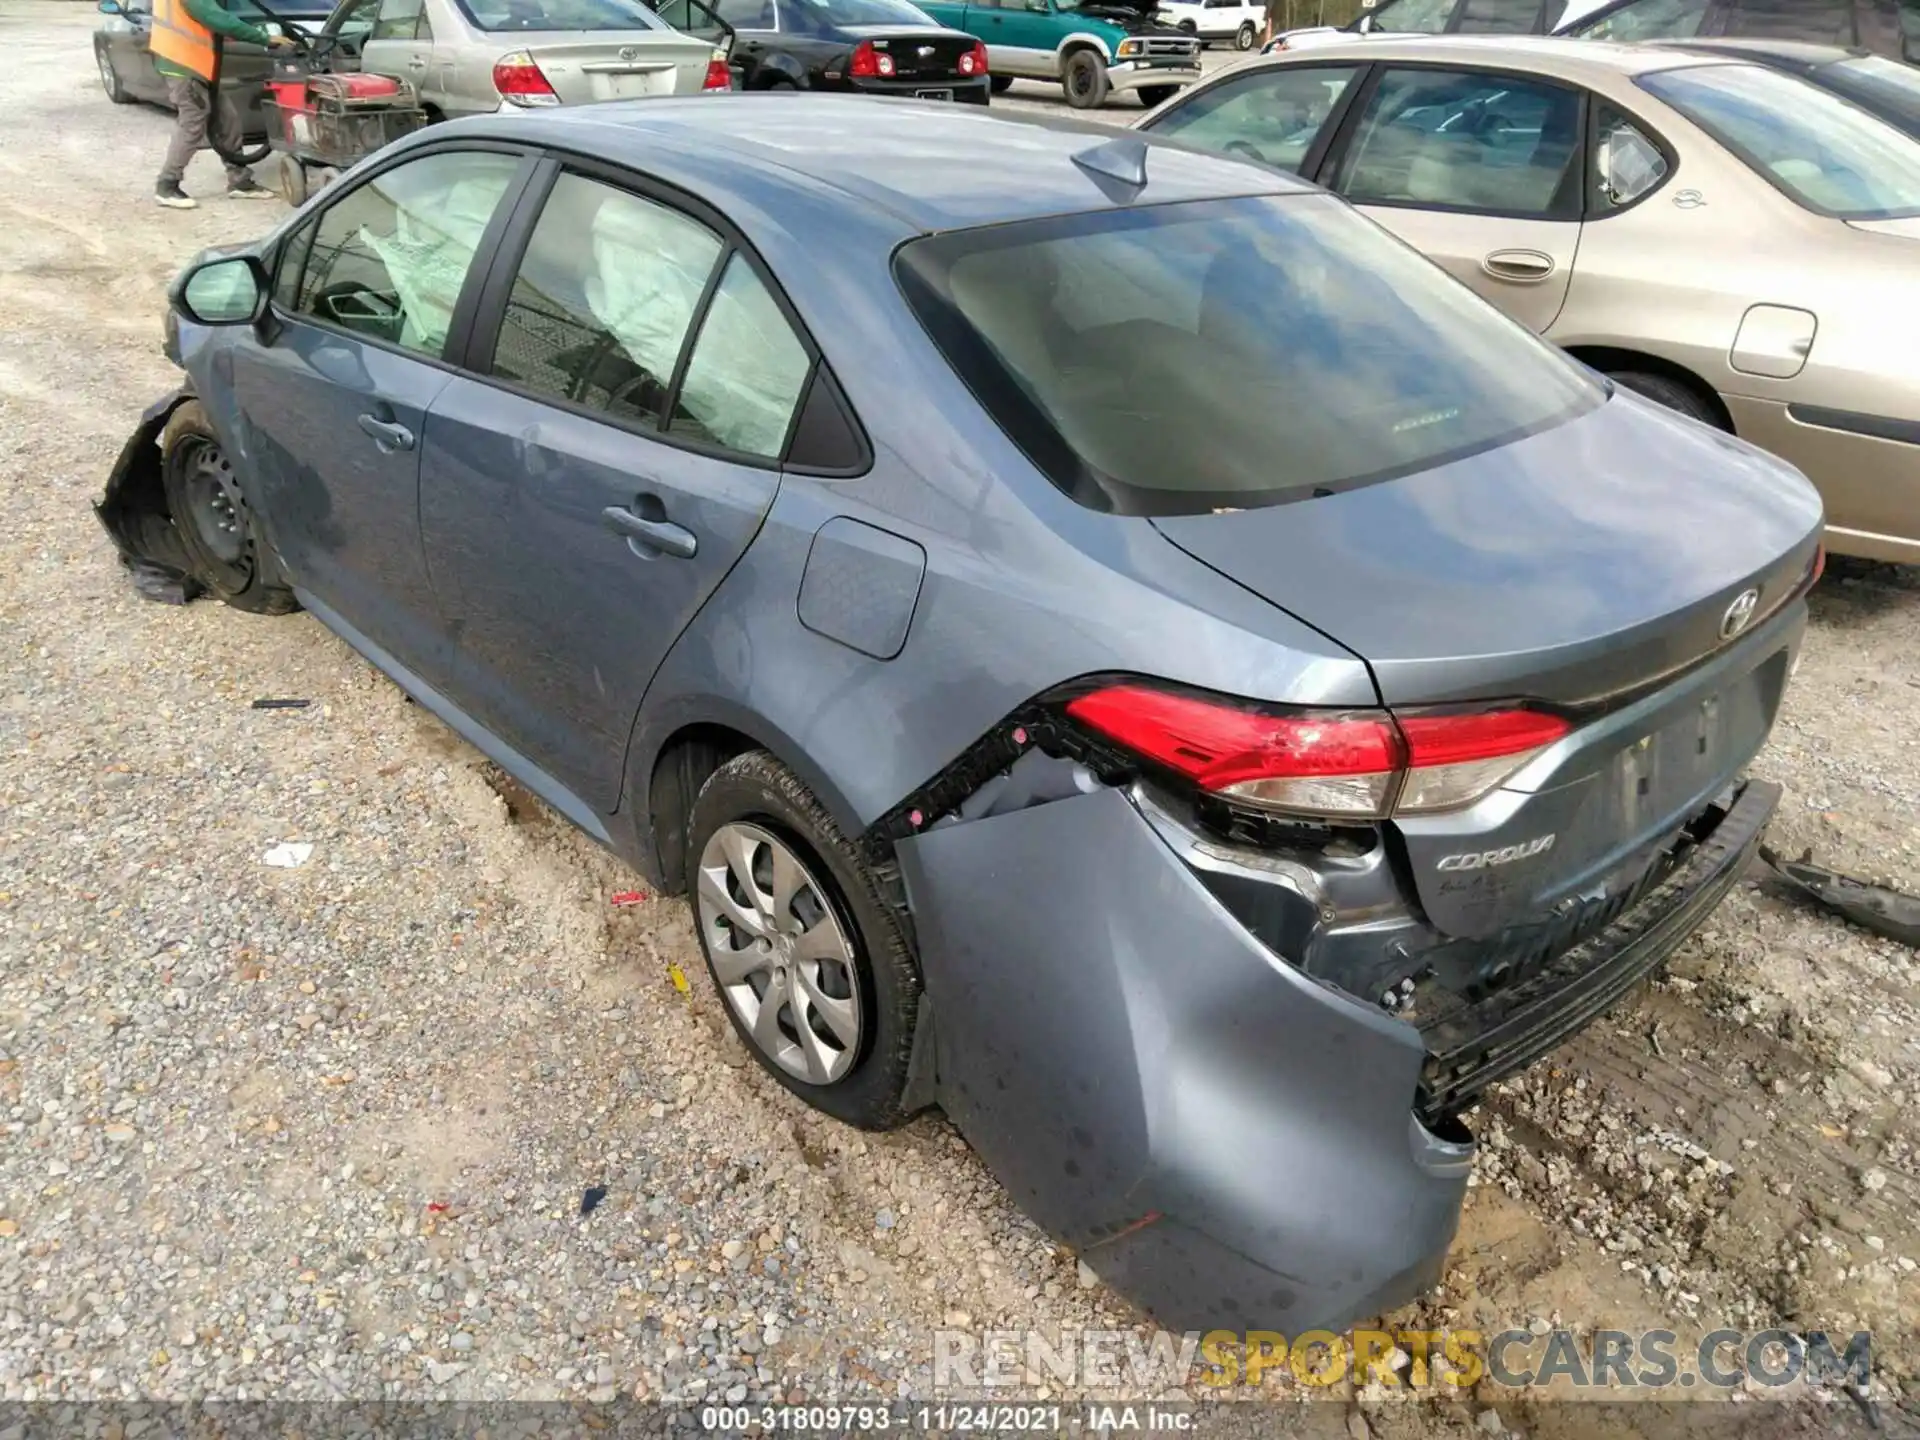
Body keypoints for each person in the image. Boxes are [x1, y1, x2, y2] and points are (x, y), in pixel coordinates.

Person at [149, 0, 293, 208]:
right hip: (184, 64)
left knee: (227, 120)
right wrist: (265, 39)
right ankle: (167, 185)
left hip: (193, 65)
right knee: (192, 125)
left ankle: (240, 181)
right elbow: (216, 18)